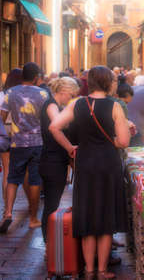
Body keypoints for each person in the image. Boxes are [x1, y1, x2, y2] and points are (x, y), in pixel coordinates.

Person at [49, 66, 130, 279]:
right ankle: (102, 270)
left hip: (84, 163)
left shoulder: (77, 104)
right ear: (108, 83)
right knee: (104, 218)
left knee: (86, 215)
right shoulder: (115, 106)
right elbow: (123, 141)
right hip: (107, 165)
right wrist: (110, 140)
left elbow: (54, 127)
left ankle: (88, 270)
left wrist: (69, 147)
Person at [0, 62, 48, 232]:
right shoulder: (43, 94)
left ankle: (7, 213)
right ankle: (34, 218)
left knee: (13, 178)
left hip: (17, 142)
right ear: (36, 77)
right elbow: (48, 118)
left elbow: (2, 115)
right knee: (35, 180)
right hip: (37, 143)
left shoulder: (10, 93)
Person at [39, 76, 80, 243]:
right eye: (71, 95)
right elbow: (56, 126)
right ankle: (48, 244)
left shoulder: (54, 105)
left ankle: (49, 243)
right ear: (63, 92)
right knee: (51, 205)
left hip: (54, 160)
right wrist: (70, 147)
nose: (70, 99)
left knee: (51, 203)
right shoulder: (51, 105)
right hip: (52, 161)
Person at [0, 69, 23, 219]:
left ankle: (6, 208)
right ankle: (8, 208)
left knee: (6, 169)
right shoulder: (19, 95)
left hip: (3, 133)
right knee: (12, 170)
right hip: (15, 134)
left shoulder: (1, 95)